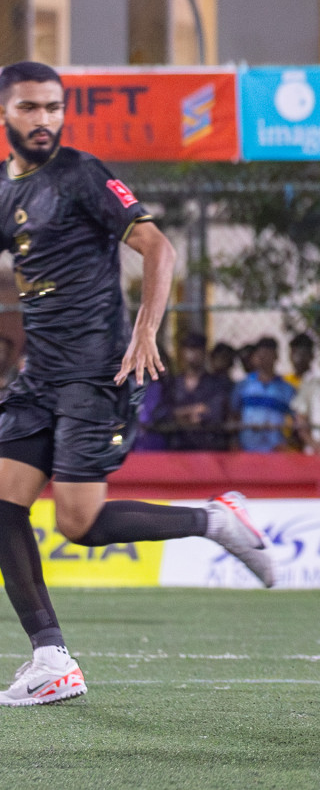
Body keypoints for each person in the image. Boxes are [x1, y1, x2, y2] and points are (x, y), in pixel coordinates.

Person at [0, 62, 275, 705]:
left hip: (98, 372)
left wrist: (147, 330)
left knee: (79, 523)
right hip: (39, 376)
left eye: (51, 108)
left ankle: (213, 519)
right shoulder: (8, 192)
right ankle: (51, 660)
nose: (43, 120)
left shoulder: (83, 174)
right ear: (4, 116)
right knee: (3, 504)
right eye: (29, 109)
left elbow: (159, 249)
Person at [154, 331, 234, 451]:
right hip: (177, 448)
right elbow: (161, 413)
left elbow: (215, 413)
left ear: (204, 353)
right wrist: (189, 411)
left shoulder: (216, 384)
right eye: (189, 349)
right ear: (182, 353)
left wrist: (182, 416)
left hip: (208, 448)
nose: (193, 354)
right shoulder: (172, 384)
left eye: (197, 349)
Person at [232, 336, 295, 453]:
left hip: (275, 451)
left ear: (276, 356)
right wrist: (235, 442)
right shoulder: (243, 386)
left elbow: (296, 420)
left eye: (267, 354)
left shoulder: (287, 389)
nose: (263, 358)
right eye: (260, 354)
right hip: (247, 449)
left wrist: (288, 441)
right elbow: (234, 414)